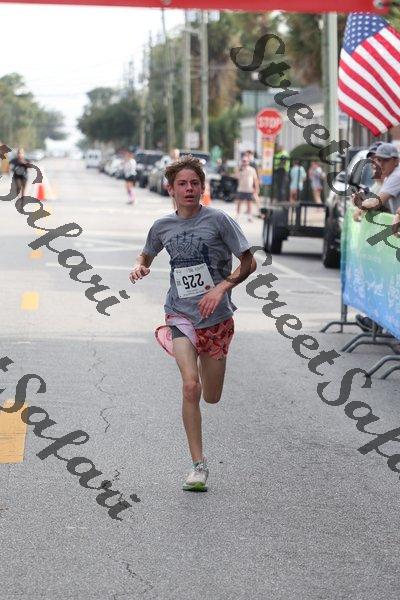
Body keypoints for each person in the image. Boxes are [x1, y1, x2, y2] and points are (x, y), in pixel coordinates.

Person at [129, 155, 256, 492]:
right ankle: (198, 466)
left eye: (195, 183)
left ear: (202, 188)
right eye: (182, 184)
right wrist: (140, 265)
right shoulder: (162, 226)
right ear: (170, 189)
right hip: (179, 314)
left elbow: (249, 262)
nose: (189, 189)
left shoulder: (219, 220)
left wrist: (221, 288)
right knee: (190, 387)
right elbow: (147, 253)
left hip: (216, 318)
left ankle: (204, 366)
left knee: (211, 396)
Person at [234, 154, 259, 222]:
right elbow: (236, 176)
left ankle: (249, 216)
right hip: (241, 188)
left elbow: (255, 179)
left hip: (249, 189)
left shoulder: (252, 169)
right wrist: (239, 169)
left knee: (249, 203)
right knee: (239, 202)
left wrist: (256, 188)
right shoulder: (240, 169)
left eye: (245, 161)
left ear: (248, 162)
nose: (244, 162)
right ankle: (238, 215)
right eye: (243, 161)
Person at [245, 150, 262, 217]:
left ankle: (259, 210)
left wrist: (257, 182)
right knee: (248, 196)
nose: (246, 156)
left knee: (255, 196)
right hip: (250, 182)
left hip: (254, 182)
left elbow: (257, 173)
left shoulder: (253, 163)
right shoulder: (250, 162)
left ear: (250, 155)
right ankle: (248, 210)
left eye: (247, 155)